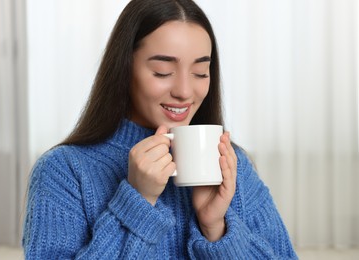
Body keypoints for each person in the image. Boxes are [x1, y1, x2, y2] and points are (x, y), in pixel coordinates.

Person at [22, 0, 298, 259]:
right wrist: (137, 202)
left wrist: (216, 229)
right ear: (124, 69)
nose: (185, 91)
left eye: (201, 73)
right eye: (162, 72)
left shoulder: (229, 164)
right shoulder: (63, 171)